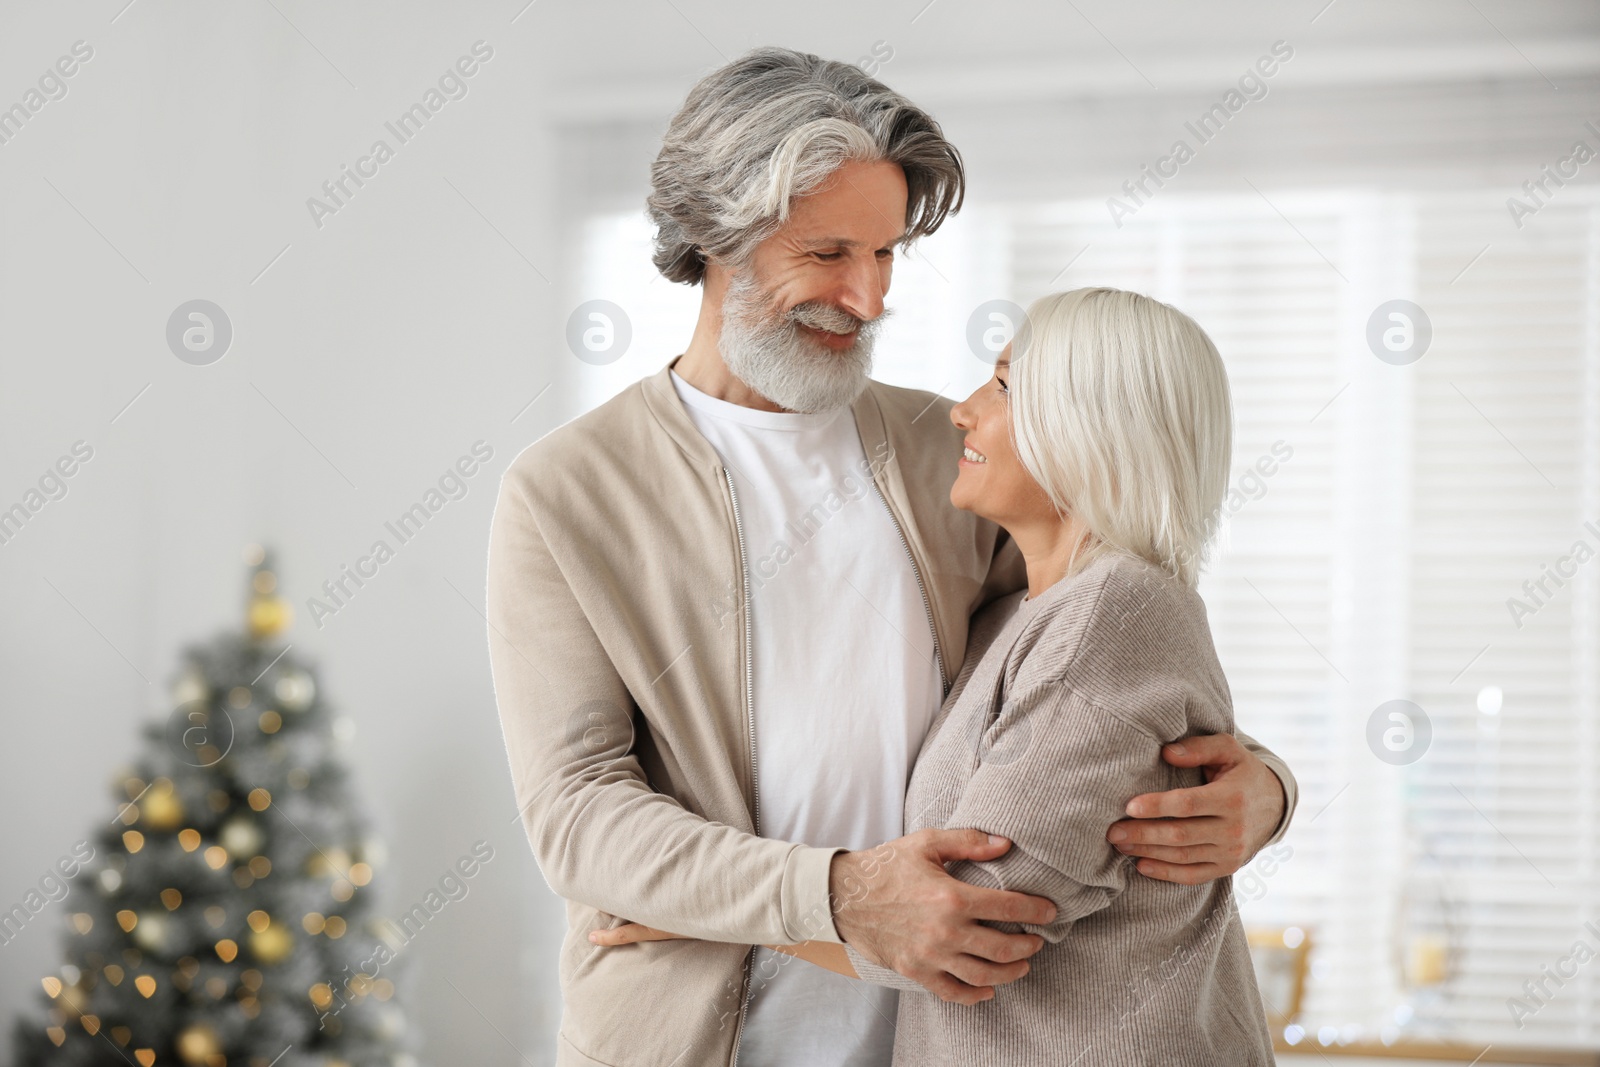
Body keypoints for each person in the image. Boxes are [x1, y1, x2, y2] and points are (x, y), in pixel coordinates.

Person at [486, 47, 1297, 1067]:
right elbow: (577, 809)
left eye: (886, 255)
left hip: (958, 1022)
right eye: (829, 252)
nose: (867, 299)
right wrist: (827, 898)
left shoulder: (937, 453)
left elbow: (1101, 659)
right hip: (694, 1035)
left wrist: (1262, 786)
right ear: (713, 238)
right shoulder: (569, 490)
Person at [597, 288, 1277, 1065]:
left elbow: (968, 924)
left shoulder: (1112, 611)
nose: (964, 410)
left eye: (1004, 386)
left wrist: (714, 912)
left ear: (1094, 425)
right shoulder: (1012, 616)